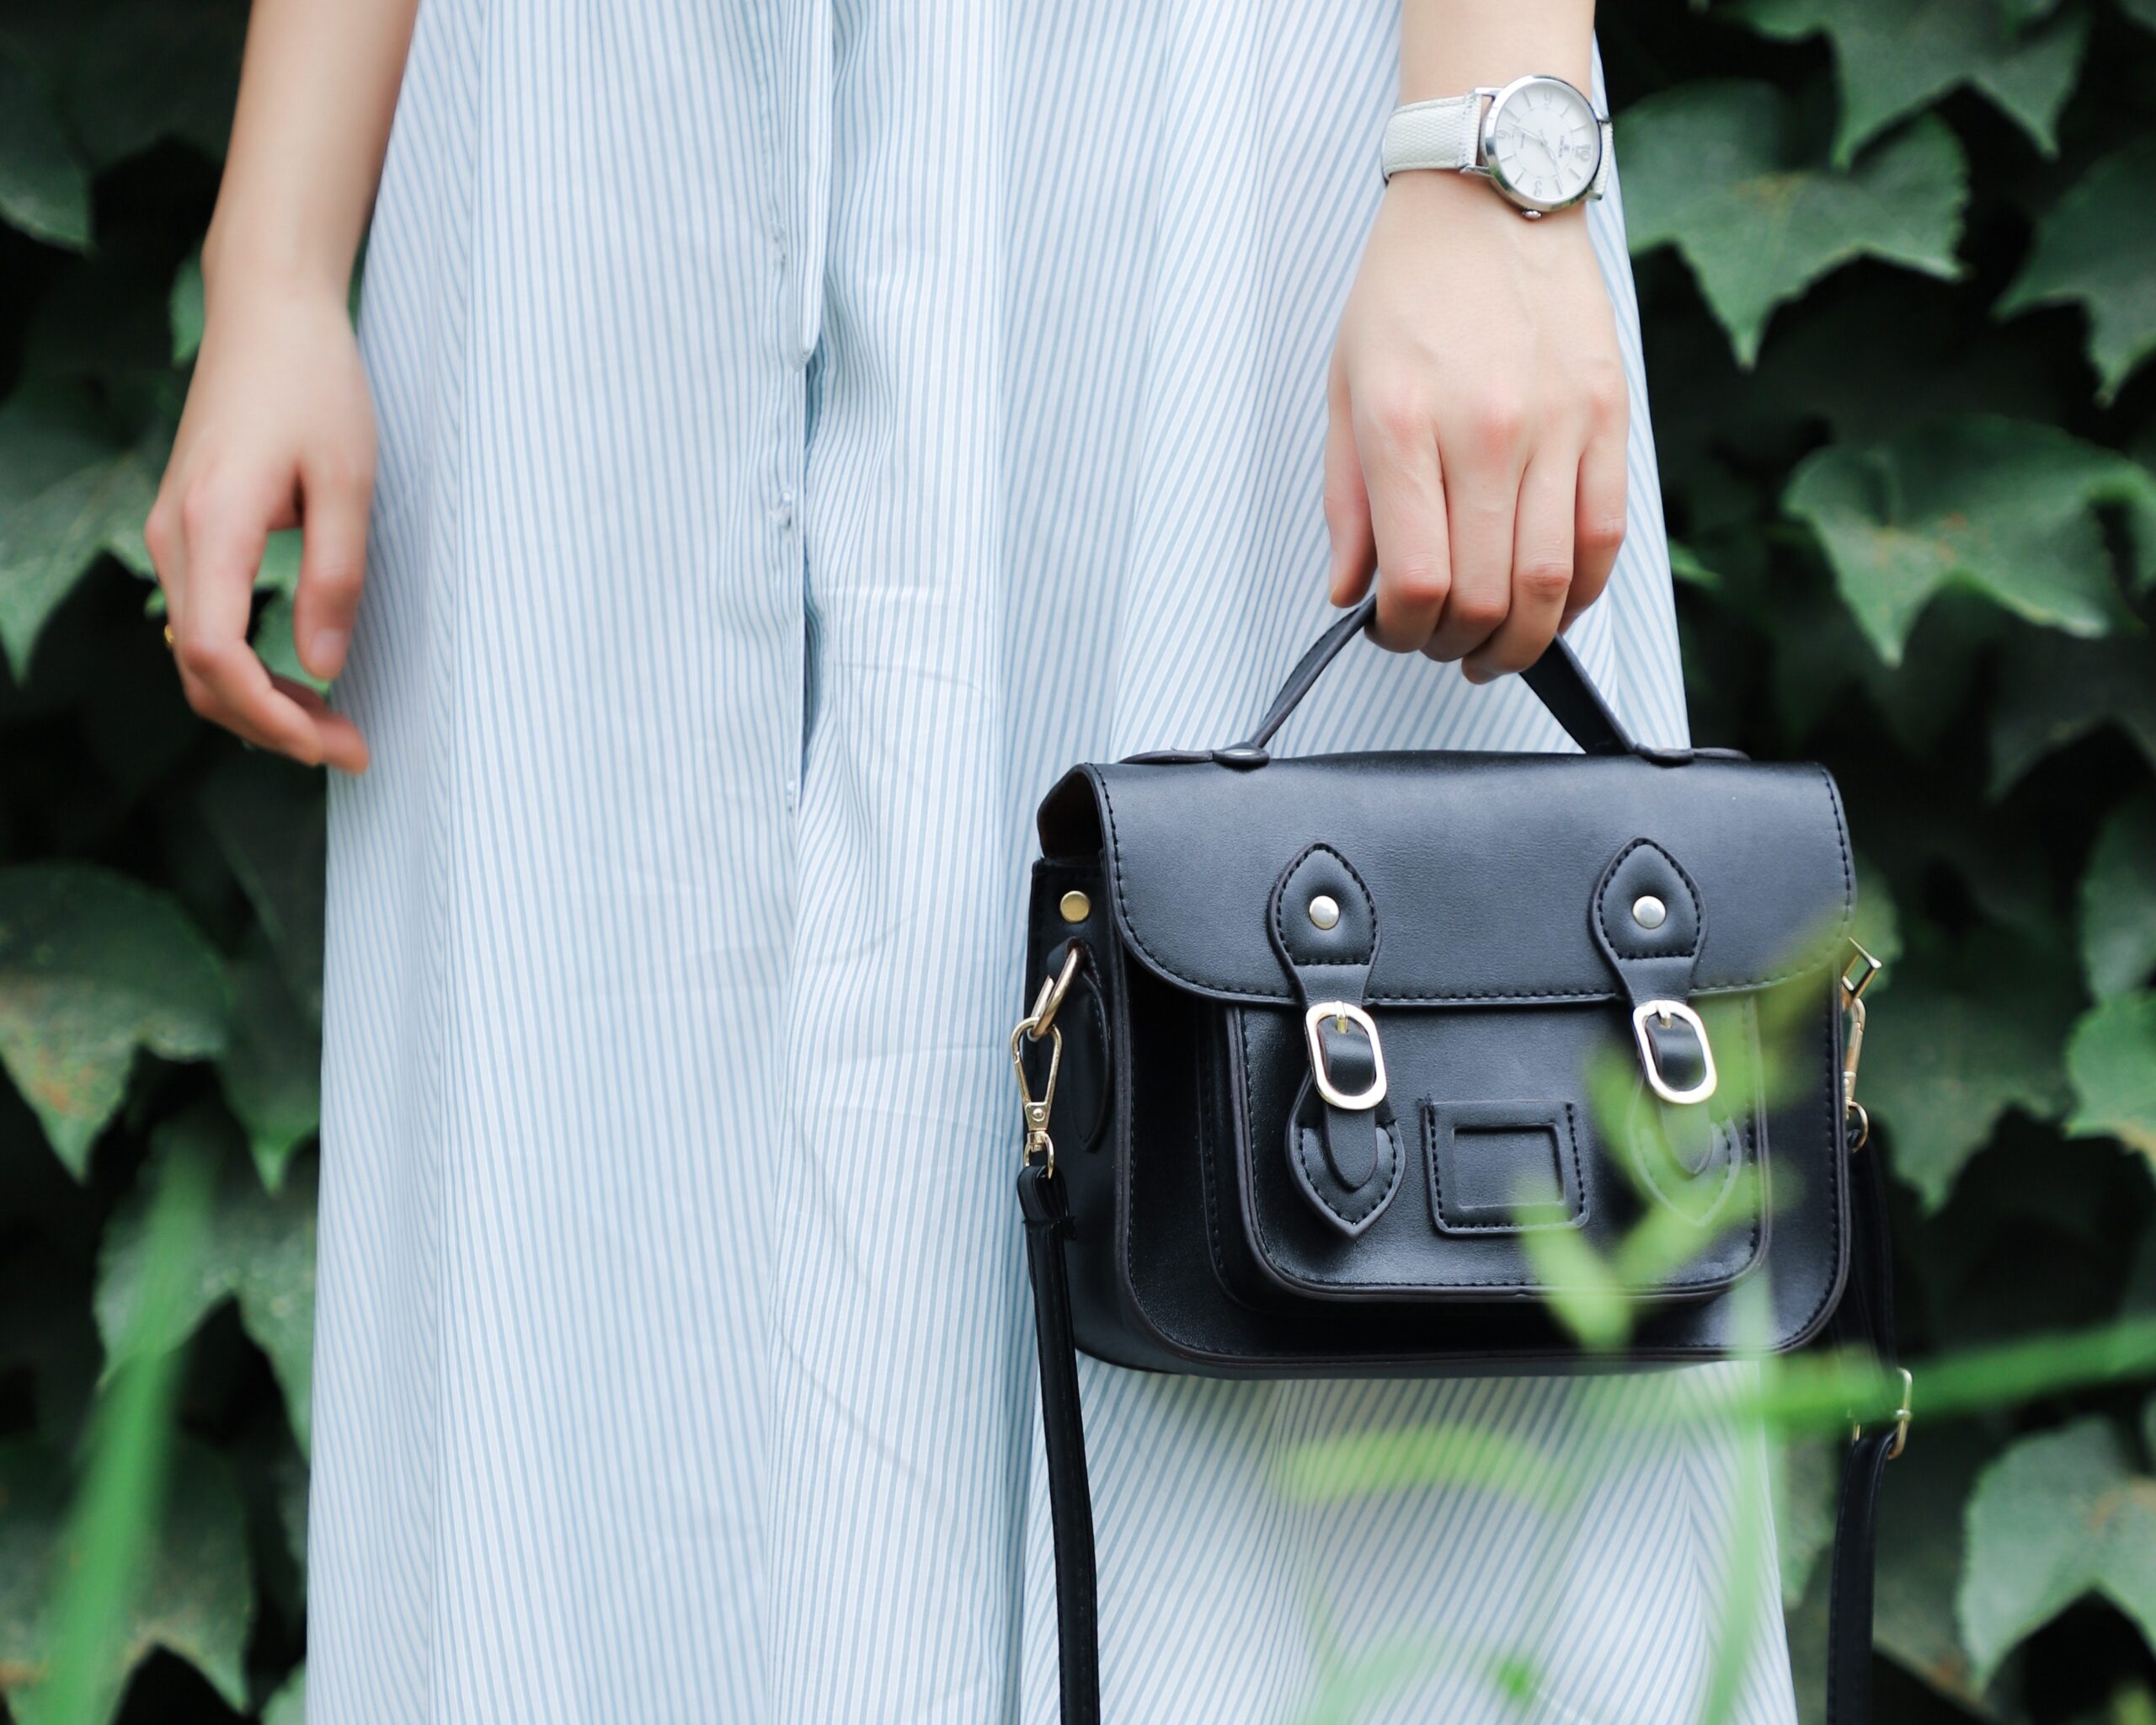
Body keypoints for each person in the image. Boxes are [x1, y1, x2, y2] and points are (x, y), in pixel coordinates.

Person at [147, 0, 1794, 1718]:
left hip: (1211, 130)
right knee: (589, 1270)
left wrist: (1490, 127)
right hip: (581, 179)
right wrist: (274, 251)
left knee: (1297, 1286)